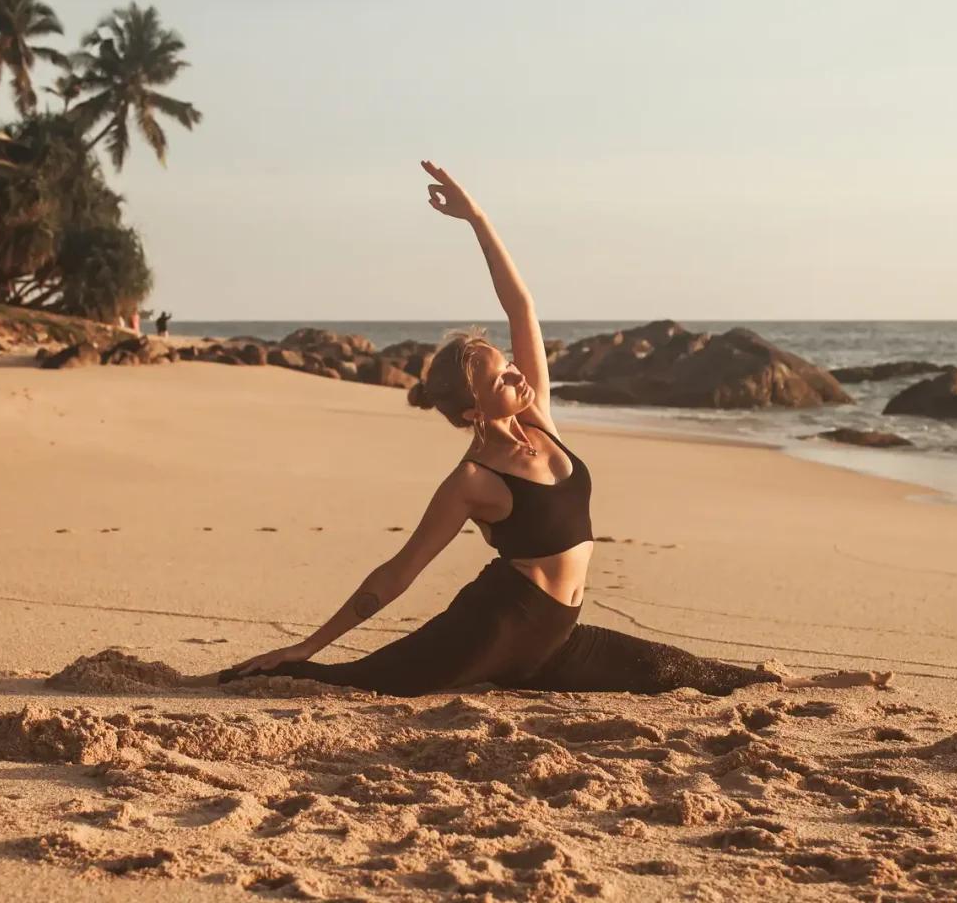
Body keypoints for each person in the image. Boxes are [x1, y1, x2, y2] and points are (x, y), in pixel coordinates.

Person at [195, 161, 855, 698]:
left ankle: (782, 681)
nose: (519, 375)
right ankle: (269, 670)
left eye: (512, 366)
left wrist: (477, 220)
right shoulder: (473, 480)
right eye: (502, 378)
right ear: (477, 412)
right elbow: (397, 573)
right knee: (358, 684)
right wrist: (310, 643)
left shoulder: (537, 416)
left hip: (558, 635)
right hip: (497, 628)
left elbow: (522, 307)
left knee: (682, 673)